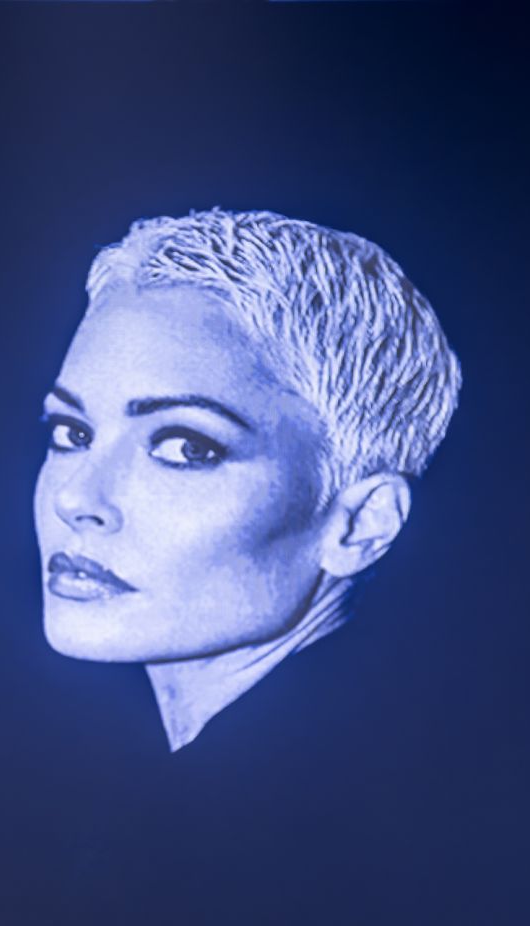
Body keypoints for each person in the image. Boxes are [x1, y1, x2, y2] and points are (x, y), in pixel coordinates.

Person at [34, 209, 461, 751]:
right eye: (72, 433)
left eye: (186, 448)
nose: (75, 498)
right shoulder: (184, 796)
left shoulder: (321, 807)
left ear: (361, 525)